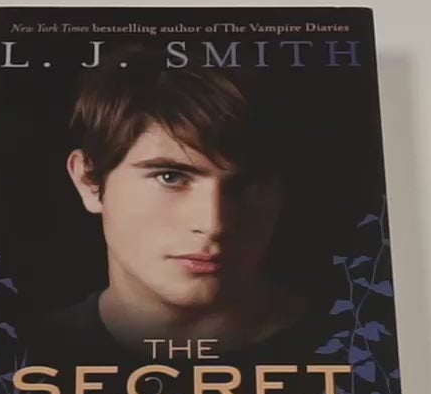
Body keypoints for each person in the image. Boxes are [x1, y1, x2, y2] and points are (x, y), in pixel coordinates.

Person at [34, 51, 321, 365]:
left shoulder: (353, 351)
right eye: (170, 177)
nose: (214, 224)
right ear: (88, 181)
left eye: (246, 183)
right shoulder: (15, 359)